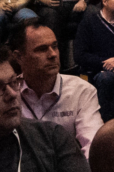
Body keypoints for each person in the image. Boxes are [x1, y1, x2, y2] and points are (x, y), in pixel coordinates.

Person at [6, 19, 101, 153]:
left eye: (55, 46)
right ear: (19, 57)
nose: (53, 54)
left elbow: (93, 146)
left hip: (69, 164)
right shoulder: (8, 93)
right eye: (42, 49)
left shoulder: (81, 90)